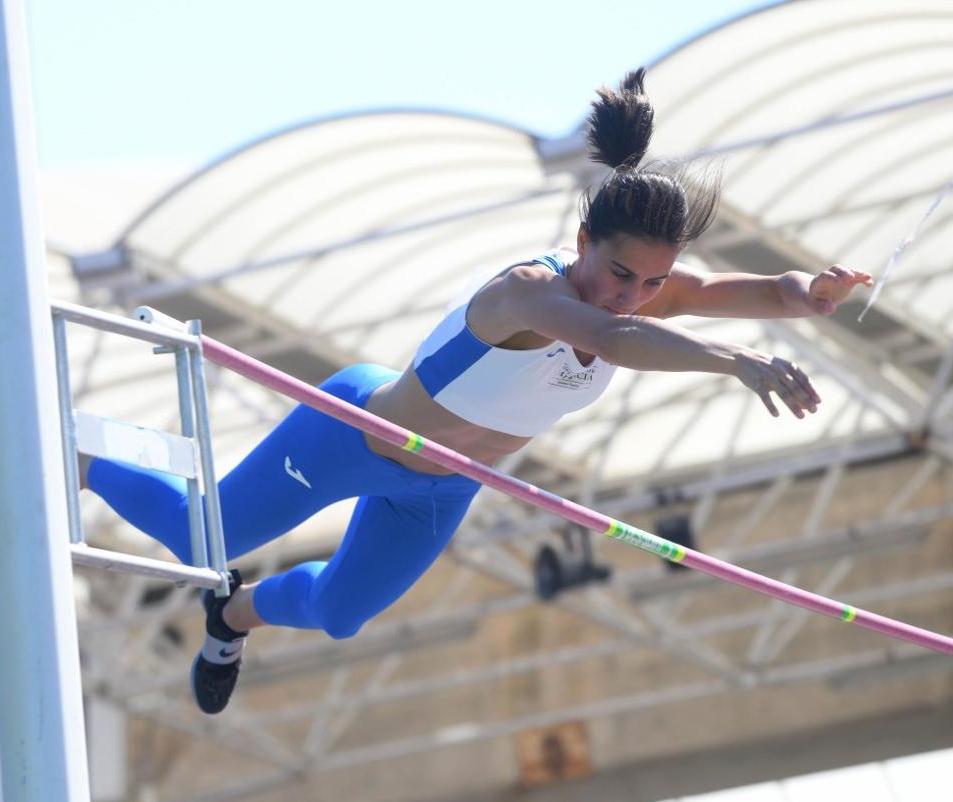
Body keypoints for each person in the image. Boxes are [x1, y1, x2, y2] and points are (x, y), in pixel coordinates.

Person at [80, 68, 872, 714]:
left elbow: (764, 287)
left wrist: (811, 293)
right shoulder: (526, 293)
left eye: (654, 281)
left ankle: (232, 615)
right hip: (353, 433)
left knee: (341, 614)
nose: (633, 294)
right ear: (584, 240)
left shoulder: (643, 292)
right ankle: (79, 451)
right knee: (197, 538)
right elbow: (611, 342)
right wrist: (737, 362)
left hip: (440, 487)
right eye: (621, 273)